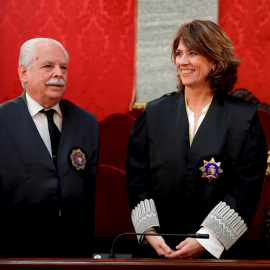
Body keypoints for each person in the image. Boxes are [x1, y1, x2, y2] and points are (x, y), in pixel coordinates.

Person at [126, 20, 267, 259]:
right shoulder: (153, 115)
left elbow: (245, 190)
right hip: (160, 250)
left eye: (193, 53)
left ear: (215, 60)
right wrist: (150, 232)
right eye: (179, 53)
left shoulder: (244, 120)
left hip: (219, 255)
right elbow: (137, 180)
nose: (182, 61)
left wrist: (207, 239)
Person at [0, 38, 99, 257]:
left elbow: (88, 192)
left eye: (63, 67)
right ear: (23, 73)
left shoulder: (87, 123)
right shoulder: (3, 120)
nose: (59, 73)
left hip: (75, 252)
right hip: (16, 251)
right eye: (48, 66)